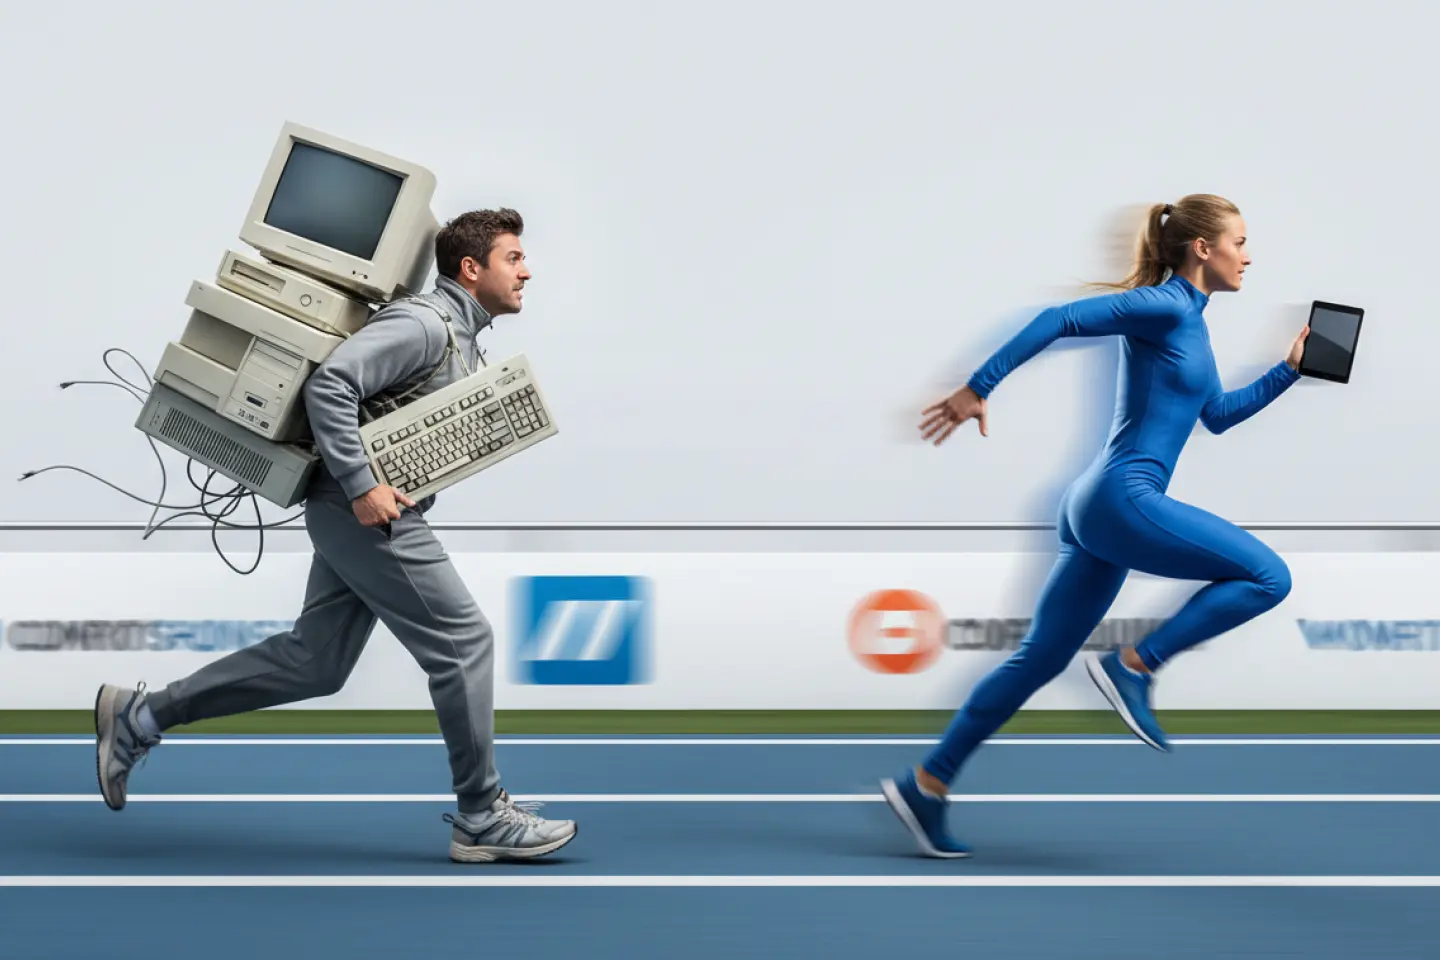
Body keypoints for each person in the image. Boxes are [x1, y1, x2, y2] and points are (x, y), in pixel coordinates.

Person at [93, 208, 578, 863]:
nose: (527, 271)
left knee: (315, 662)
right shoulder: (424, 324)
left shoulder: (461, 338)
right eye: (513, 258)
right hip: (365, 511)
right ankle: (480, 815)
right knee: (464, 642)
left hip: (359, 511)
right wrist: (362, 485)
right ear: (471, 268)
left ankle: (140, 717)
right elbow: (330, 385)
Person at [881, 194, 1309, 858]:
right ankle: (1135, 664)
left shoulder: (1192, 325)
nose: (1249, 257)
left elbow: (1217, 416)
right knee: (1267, 577)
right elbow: (1059, 319)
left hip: (1100, 507)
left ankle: (927, 784)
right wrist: (979, 386)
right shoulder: (1165, 305)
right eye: (1241, 242)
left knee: (1040, 659)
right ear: (1203, 249)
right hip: (1120, 500)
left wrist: (1289, 370)